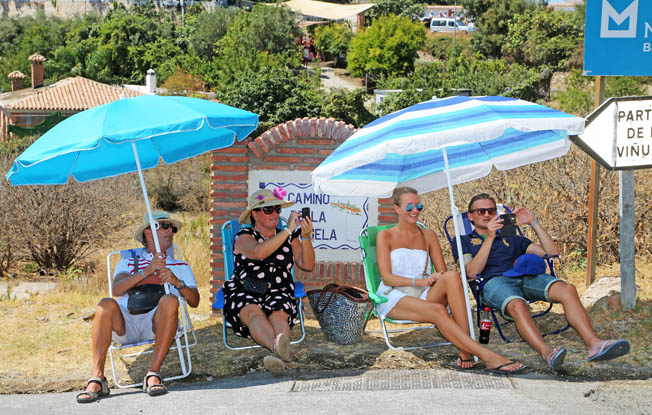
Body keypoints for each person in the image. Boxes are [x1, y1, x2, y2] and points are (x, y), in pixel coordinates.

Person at [453, 193, 631, 372]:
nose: (486, 214)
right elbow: (471, 272)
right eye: (480, 211)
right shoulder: (463, 241)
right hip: (493, 282)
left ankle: (594, 344)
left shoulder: (512, 237)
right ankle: (547, 353)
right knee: (517, 305)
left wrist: (534, 222)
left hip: (524, 276)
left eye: (491, 210)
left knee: (567, 289)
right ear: (470, 216)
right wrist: (490, 238)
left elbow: (551, 253)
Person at [376, 186, 525, 373]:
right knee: (438, 310)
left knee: (453, 276)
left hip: (423, 295)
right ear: (396, 208)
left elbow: (443, 273)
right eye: (409, 207)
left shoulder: (427, 235)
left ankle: (465, 349)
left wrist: (436, 278)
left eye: (419, 206)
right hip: (395, 295)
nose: (415, 211)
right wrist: (423, 282)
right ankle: (488, 356)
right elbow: (387, 278)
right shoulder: (386, 236)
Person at [76, 210, 200, 403]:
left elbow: (195, 302)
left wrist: (177, 282)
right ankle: (97, 378)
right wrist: (146, 271)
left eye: (172, 228)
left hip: (157, 325)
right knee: (105, 304)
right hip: (125, 323)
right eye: (165, 226)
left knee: (170, 300)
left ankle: (153, 373)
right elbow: (116, 289)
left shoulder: (180, 264)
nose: (171, 232)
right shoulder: (128, 261)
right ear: (148, 233)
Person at [224, 188, 315, 376]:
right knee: (253, 312)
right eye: (268, 209)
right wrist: (288, 230)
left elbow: (307, 265)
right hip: (246, 288)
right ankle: (282, 352)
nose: (275, 213)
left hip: (279, 289)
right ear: (254, 214)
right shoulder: (244, 237)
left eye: (277, 209)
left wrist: (305, 237)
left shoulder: (289, 239)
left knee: (279, 313)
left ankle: (278, 355)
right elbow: (259, 252)